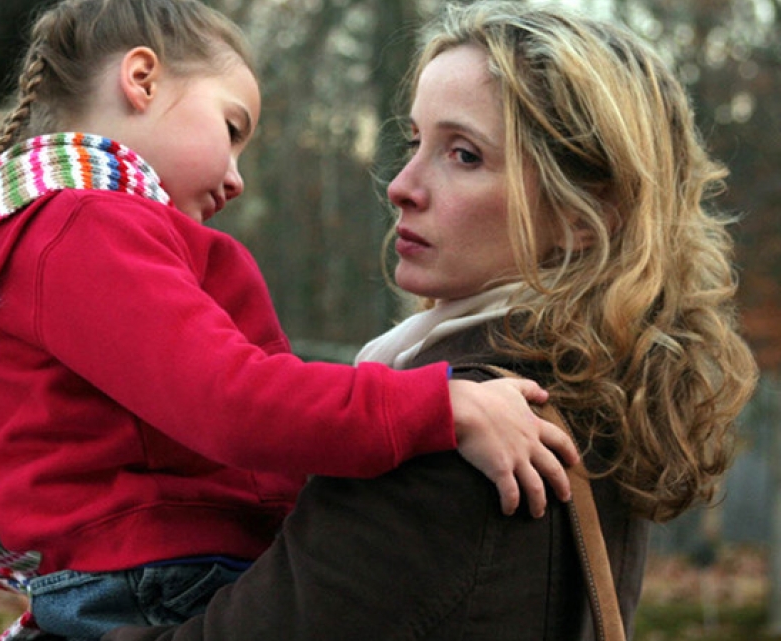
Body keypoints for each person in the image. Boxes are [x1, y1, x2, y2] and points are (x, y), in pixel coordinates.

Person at [0, 1, 579, 640]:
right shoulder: (83, 227)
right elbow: (232, 400)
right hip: (160, 583)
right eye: (232, 128)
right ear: (142, 80)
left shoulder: (70, 230)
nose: (237, 177)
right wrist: (440, 405)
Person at [102, 2, 760, 640]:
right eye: (416, 141)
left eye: (463, 155)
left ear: (590, 210)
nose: (401, 185)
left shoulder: (460, 434)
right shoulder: (597, 392)